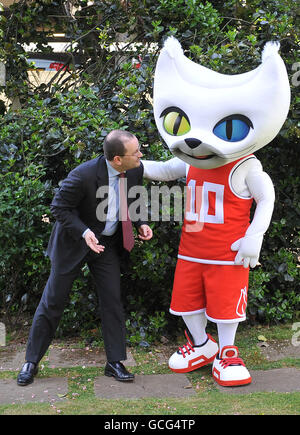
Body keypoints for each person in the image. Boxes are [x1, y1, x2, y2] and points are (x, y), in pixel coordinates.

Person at [17, 130, 153, 386]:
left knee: (112, 300)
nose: (141, 155)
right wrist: (85, 232)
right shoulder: (83, 175)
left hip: (106, 245)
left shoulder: (134, 170)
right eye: (136, 152)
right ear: (117, 160)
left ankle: (114, 362)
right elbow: (58, 207)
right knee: (53, 301)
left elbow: (133, 200)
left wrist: (141, 223)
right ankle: (31, 362)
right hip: (73, 244)